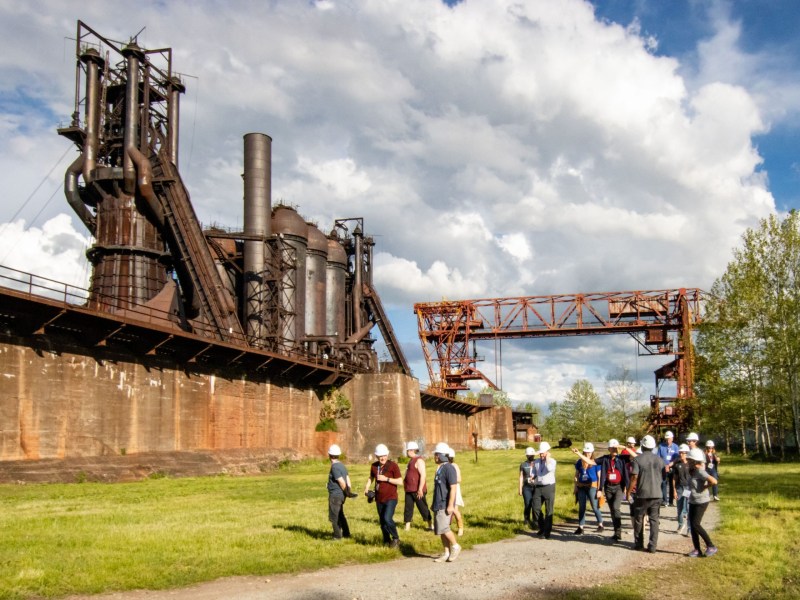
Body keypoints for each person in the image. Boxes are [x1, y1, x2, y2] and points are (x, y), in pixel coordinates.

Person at [629, 434, 663, 553]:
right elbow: (663, 476)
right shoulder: (659, 460)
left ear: (642, 447)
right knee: (654, 520)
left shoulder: (637, 460)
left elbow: (634, 477)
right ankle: (652, 546)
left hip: (642, 494)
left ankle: (638, 544)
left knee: (639, 519)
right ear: (653, 447)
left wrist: (628, 492)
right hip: (657, 494)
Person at [364, 443, 402, 548]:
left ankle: (396, 538)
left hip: (391, 498)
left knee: (387, 518)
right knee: (382, 522)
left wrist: (386, 479)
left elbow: (400, 481)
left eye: (384, 455)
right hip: (379, 498)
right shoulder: (374, 466)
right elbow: (371, 477)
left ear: (387, 455)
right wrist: (367, 487)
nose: (383, 458)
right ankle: (386, 541)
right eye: (380, 456)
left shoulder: (393, 466)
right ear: (377, 456)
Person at [431, 442, 462, 562]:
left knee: (444, 528)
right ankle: (446, 553)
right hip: (438, 503)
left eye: (437, 454)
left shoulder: (449, 468)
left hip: (444, 504)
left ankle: (455, 546)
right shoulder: (440, 468)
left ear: (442, 455)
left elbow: (453, 487)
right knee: (440, 530)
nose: (435, 457)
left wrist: (450, 505)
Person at [686, 447, 718, 557]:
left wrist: (705, 487)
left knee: (696, 524)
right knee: (692, 524)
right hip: (692, 500)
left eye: (689, 459)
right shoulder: (691, 470)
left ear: (694, 461)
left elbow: (714, 481)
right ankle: (697, 549)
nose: (687, 461)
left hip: (701, 501)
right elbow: (689, 485)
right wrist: (685, 496)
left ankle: (711, 546)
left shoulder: (700, 471)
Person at [597, 438, 630, 541]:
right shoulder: (605, 459)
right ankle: (616, 532)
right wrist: (579, 454)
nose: (615, 450)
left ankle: (618, 531)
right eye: (613, 448)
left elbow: (636, 456)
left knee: (616, 508)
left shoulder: (623, 459)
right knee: (612, 510)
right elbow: (591, 462)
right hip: (608, 487)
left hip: (619, 487)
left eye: (616, 448)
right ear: (609, 449)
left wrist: (624, 447)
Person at [571, 443, 603, 535]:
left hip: (592, 485)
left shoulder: (596, 462)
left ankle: (600, 524)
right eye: (586, 452)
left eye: (589, 452)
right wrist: (575, 486)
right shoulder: (579, 462)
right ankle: (581, 526)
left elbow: (599, 476)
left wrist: (599, 489)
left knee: (594, 505)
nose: (588, 454)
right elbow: (577, 475)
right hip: (581, 486)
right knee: (582, 506)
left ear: (592, 452)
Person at [327, 444, 356, 540]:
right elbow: (348, 479)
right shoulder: (342, 466)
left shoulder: (334, 467)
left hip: (336, 495)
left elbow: (341, 481)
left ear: (329, 455)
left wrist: (347, 492)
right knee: (340, 514)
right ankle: (346, 533)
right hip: (341, 495)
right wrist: (348, 491)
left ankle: (337, 536)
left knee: (334, 517)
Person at [403, 441, 432, 531]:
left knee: (423, 507)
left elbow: (423, 475)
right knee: (408, 508)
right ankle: (407, 526)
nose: (407, 452)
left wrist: (420, 489)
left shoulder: (419, 460)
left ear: (411, 450)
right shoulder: (410, 461)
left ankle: (431, 525)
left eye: (407, 450)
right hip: (409, 490)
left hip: (417, 490)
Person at [532, 441, 557, 539]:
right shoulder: (536, 462)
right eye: (540, 453)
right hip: (538, 486)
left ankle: (547, 532)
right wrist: (532, 477)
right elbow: (534, 473)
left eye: (543, 453)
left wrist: (547, 459)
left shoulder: (552, 461)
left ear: (547, 452)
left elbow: (550, 469)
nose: (541, 455)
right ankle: (542, 527)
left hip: (549, 487)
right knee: (535, 508)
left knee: (548, 509)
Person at [655, 431, 680, 506]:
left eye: (669, 439)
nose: (667, 441)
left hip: (673, 467)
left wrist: (670, 464)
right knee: (663, 483)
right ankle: (664, 500)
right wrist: (664, 465)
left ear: (672, 438)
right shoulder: (661, 446)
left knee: (672, 484)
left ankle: (671, 501)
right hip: (663, 467)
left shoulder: (675, 447)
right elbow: (658, 457)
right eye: (666, 439)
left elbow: (678, 458)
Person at [672, 443, 691, 536]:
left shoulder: (691, 465)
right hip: (680, 488)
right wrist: (674, 490)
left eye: (683, 453)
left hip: (688, 488)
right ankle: (680, 524)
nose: (681, 455)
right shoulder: (677, 464)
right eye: (680, 453)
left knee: (688, 508)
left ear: (687, 453)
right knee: (679, 508)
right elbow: (674, 478)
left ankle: (689, 528)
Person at [518, 446, 538, 529]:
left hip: (536, 487)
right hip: (526, 487)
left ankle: (535, 520)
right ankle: (526, 520)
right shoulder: (523, 464)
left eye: (531, 455)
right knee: (527, 504)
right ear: (526, 455)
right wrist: (520, 488)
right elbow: (521, 476)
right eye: (528, 455)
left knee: (535, 504)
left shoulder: (538, 463)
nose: (530, 456)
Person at [448, 448, 465, 536]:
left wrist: (450, 480)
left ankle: (460, 527)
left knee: (454, 510)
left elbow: (459, 479)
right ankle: (446, 528)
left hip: (454, 489)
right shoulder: (444, 466)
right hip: (447, 490)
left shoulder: (454, 466)